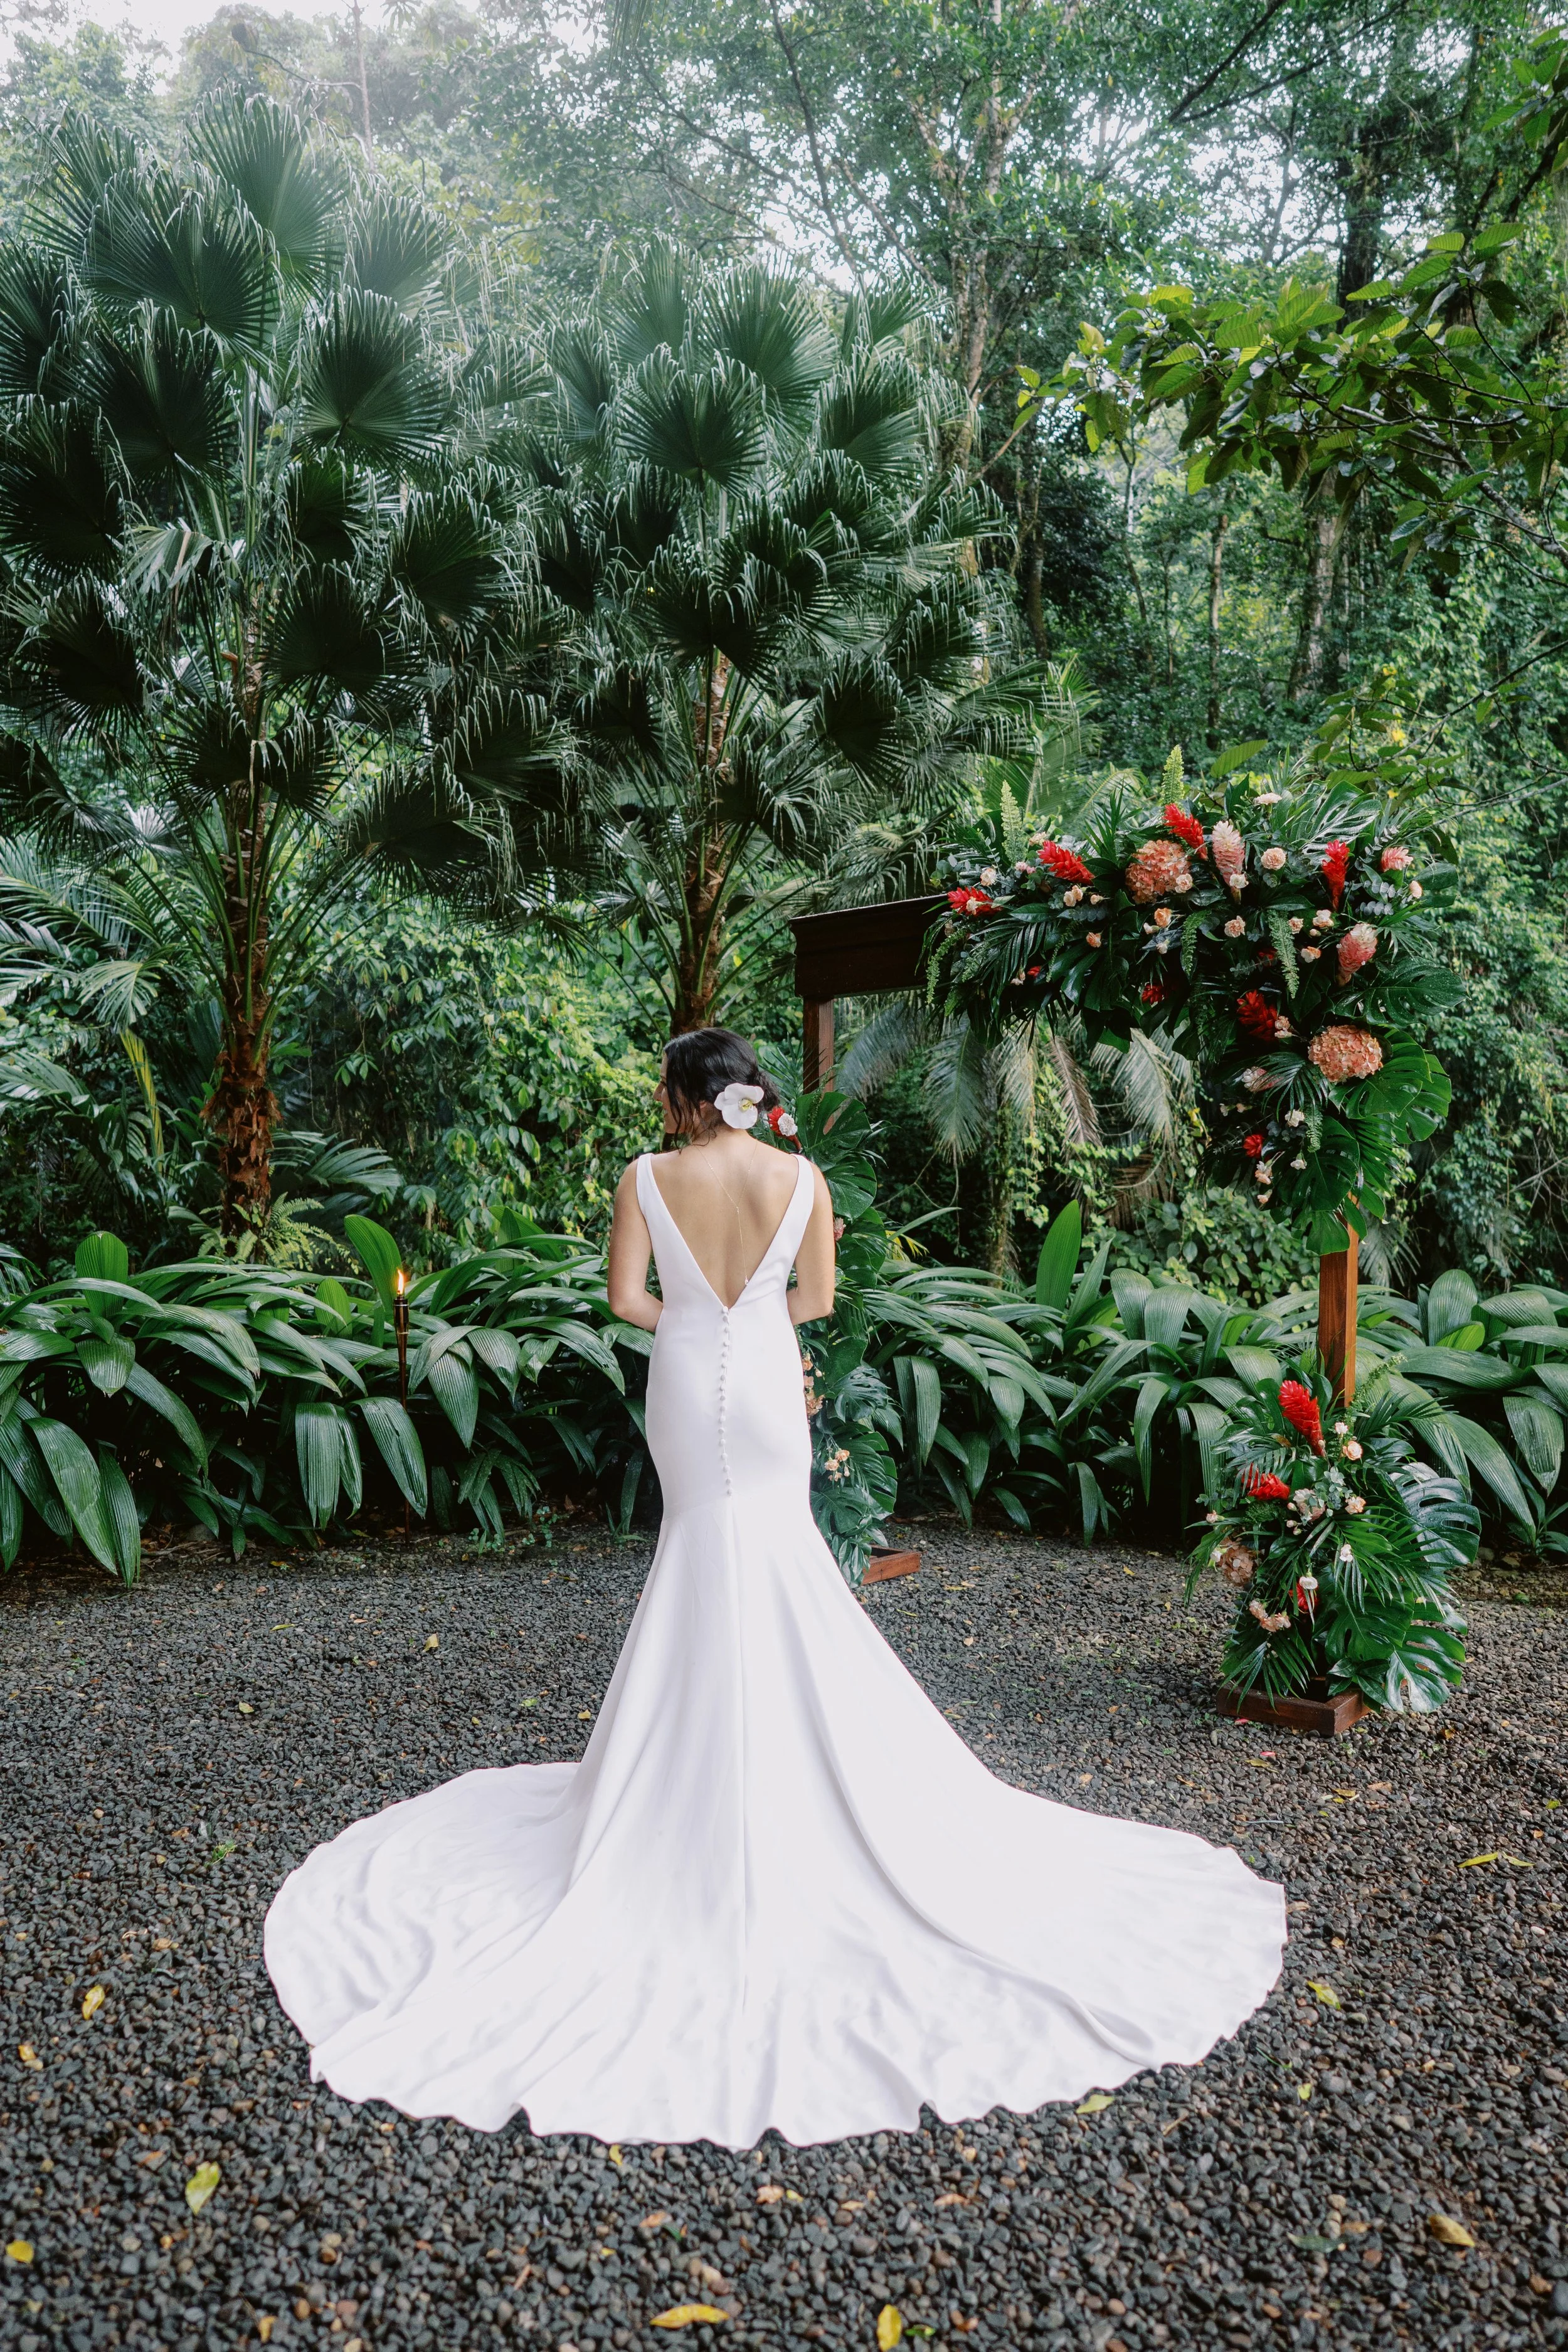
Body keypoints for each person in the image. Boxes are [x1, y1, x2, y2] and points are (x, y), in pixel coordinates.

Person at [264, 1027, 1285, 2148]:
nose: (658, 1097)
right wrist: (745, 1321)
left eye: (665, 1081)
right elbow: (817, 1298)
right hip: (763, 1382)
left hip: (683, 1378)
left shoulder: (645, 1177)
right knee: (778, 1552)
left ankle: (684, 1789)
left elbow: (624, 1299)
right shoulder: (803, 1178)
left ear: (690, 1093)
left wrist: (696, 1317)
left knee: (699, 1551)